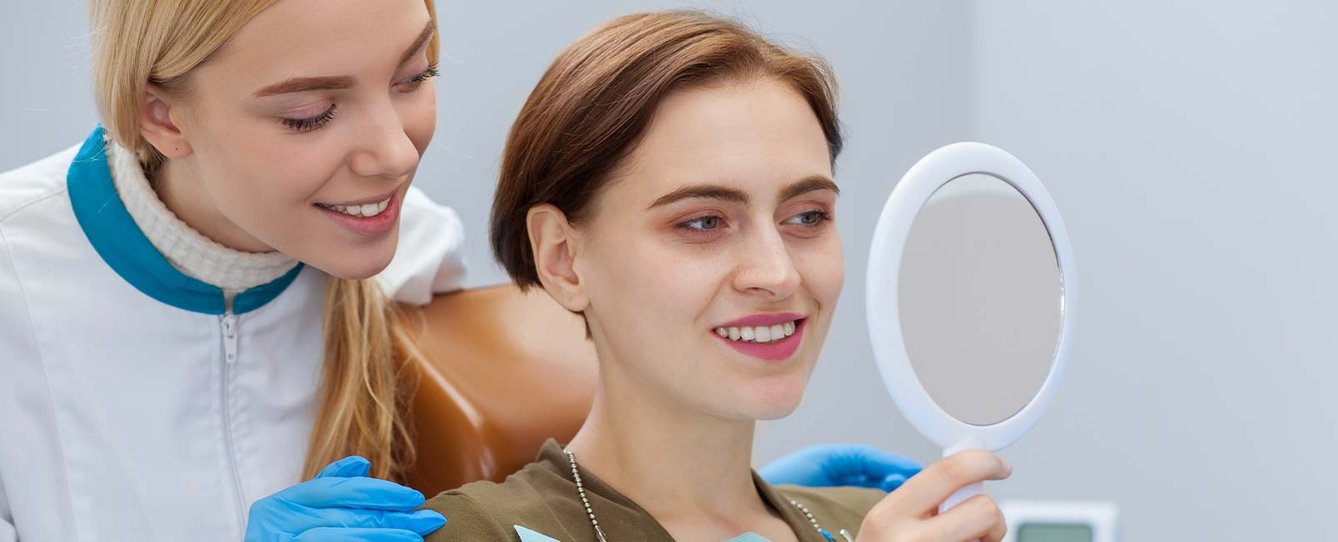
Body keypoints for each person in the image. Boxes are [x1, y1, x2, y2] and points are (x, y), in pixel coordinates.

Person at [0, 2, 916, 541]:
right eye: (311, 114)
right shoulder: (19, 291)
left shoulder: (407, 250)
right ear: (163, 117)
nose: (397, 154)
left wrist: (724, 505)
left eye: (414, 75)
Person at [423, 11, 1011, 542]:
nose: (778, 273)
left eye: (807, 216)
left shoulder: (877, 524)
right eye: (703, 222)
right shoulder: (472, 535)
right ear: (562, 259)